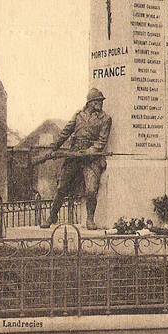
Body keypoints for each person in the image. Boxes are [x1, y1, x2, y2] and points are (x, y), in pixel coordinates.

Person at [40, 88, 112, 230]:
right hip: (73, 155)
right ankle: (52, 216)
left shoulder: (105, 119)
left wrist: (88, 152)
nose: (100, 103)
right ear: (90, 102)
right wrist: (52, 149)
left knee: (91, 189)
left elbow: (101, 142)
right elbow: (65, 132)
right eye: (98, 101)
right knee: (62, 187)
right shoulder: (78, 115)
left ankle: (90, 219)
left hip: (91, 159)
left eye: (101, 101)